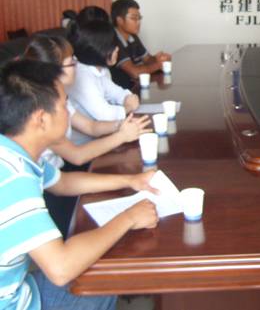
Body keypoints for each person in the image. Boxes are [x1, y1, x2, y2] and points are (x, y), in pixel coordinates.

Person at [0, 59, 159, 310]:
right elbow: (60, 268)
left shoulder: (12, 153)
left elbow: (63, 182)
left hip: (18, 286)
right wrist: (128, 218)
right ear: (41, 119)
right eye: (65, 105)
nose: (69, 111)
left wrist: (131, 180)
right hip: (15, 303)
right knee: (101, 278)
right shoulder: (14, 179)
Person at [24, 34, 152, 236]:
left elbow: (90, 127)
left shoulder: (56, 98)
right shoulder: (40, 116)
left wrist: (122, 128)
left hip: (58, 180)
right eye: (71, 62)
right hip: (50, 191)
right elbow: (76, 155)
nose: (77, 64)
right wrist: (121, 136)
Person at [67, 19, 140, 144]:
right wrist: (128, 107)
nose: (117, 49)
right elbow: (105, 115)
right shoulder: (81, 75)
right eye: (113, 45)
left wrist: (127, 98)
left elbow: (116, 92)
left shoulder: (100, 69)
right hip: (84, 144)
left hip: (102, 135)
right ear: (98, 49)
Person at [110, 0, 171, 88]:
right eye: (134, 18)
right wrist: (159, 65)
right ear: (120, 20)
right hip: (123, 91)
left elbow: (147, 60)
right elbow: (135, 73)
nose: (138, 22)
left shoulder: (132, 36)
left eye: (139, 18)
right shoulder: (113, 40)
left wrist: (159, 58)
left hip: (137, 86)